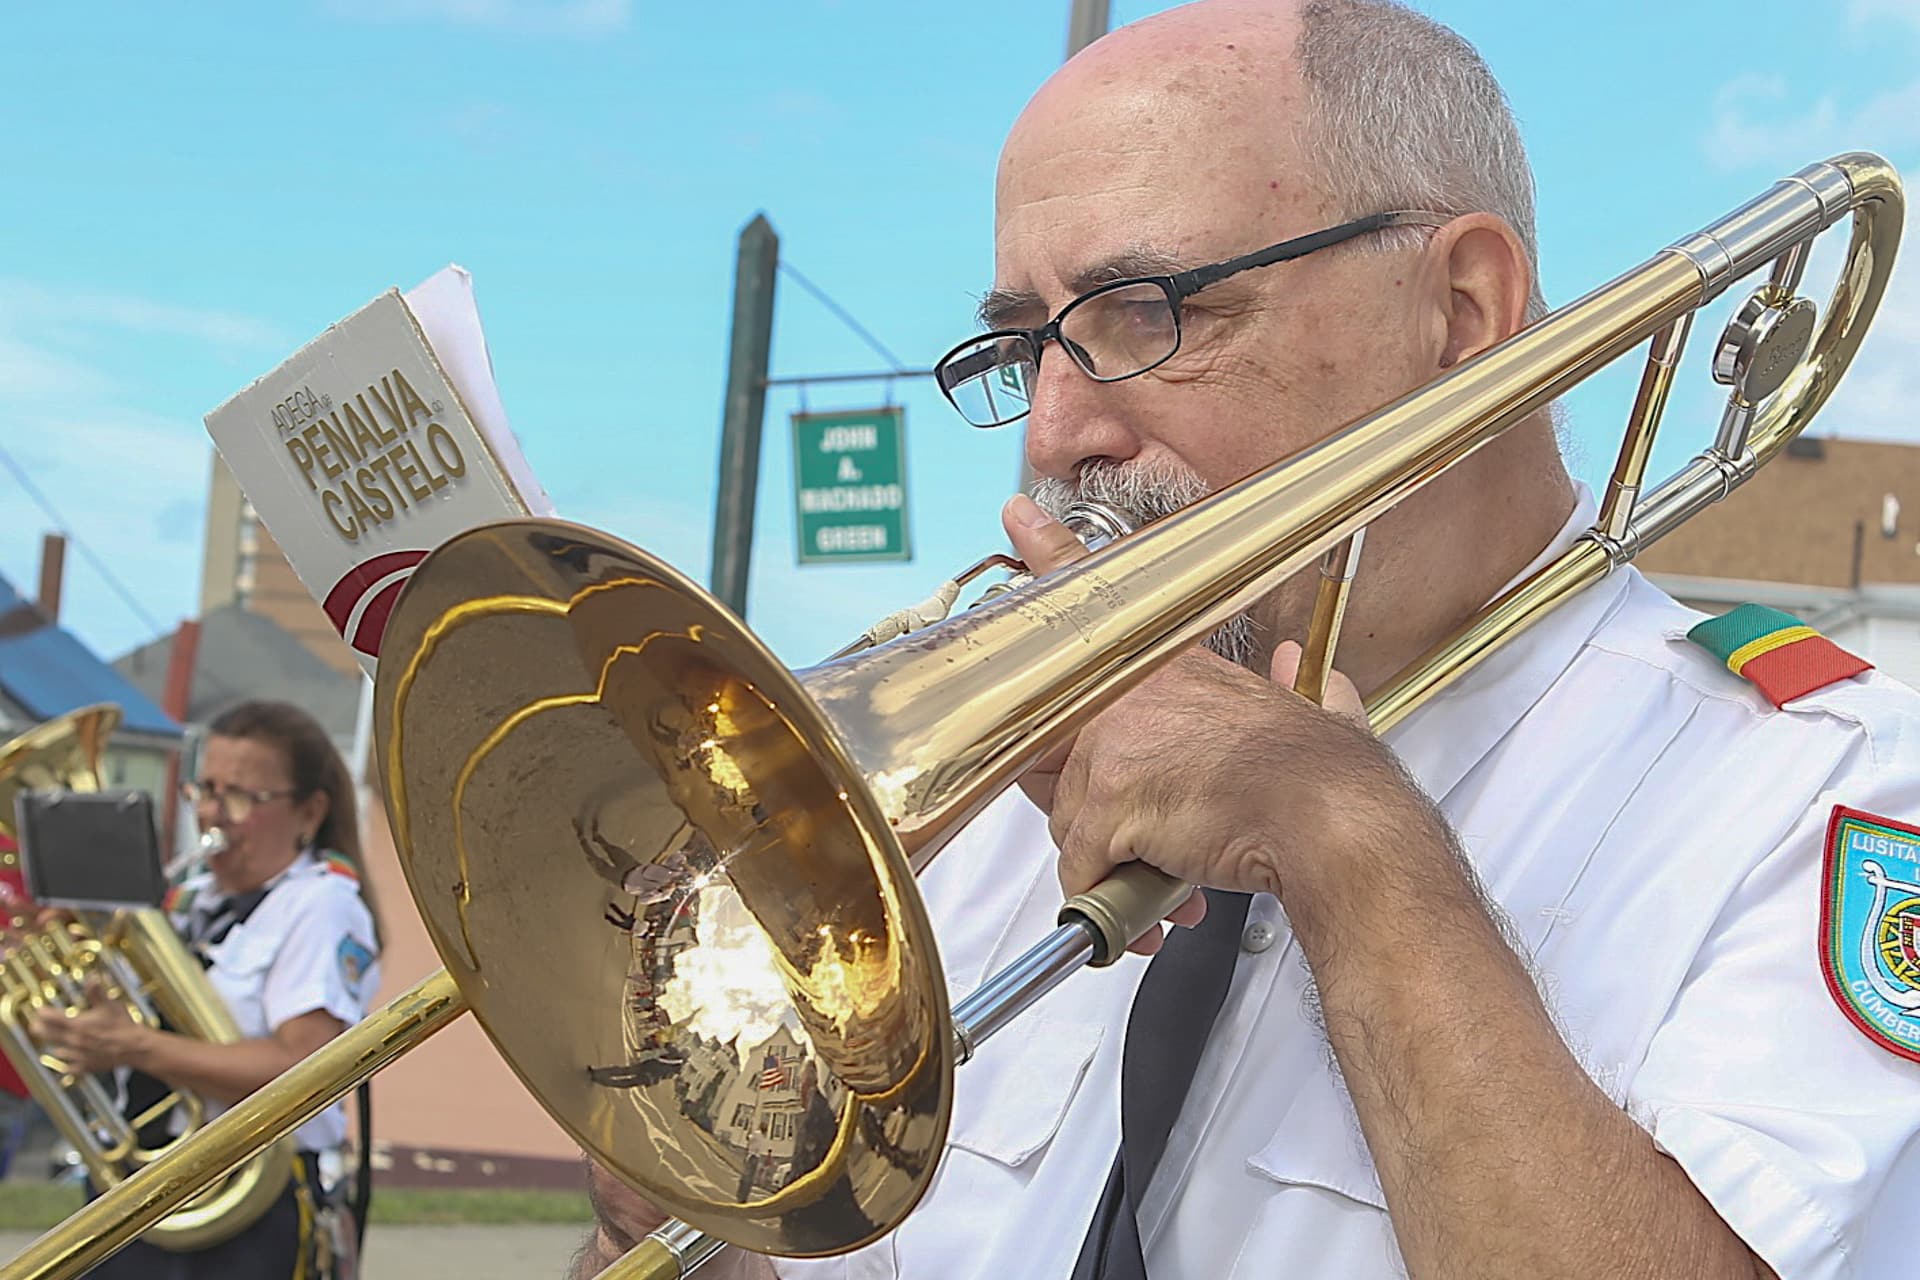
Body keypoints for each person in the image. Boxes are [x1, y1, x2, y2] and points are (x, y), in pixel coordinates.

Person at [574, 2, 1920, 1277]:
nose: (1057, 436)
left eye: (1148, 314)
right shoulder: (996, 810)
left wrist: (1346, 839)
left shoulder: (1823, 784)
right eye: (1024, 348)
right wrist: (701, 1211)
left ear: (1460, 308)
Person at [37, 700, 382, 1280]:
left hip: (247, 1206)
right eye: (207, 791)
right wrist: (76, 1015)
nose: (214, 816)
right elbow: (144, 1030)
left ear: (309, 811)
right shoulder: (195, 897)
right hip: (141, 1185)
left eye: (242, 797)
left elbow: (306, 1066)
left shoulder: (322, 907)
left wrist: (131, 1045)